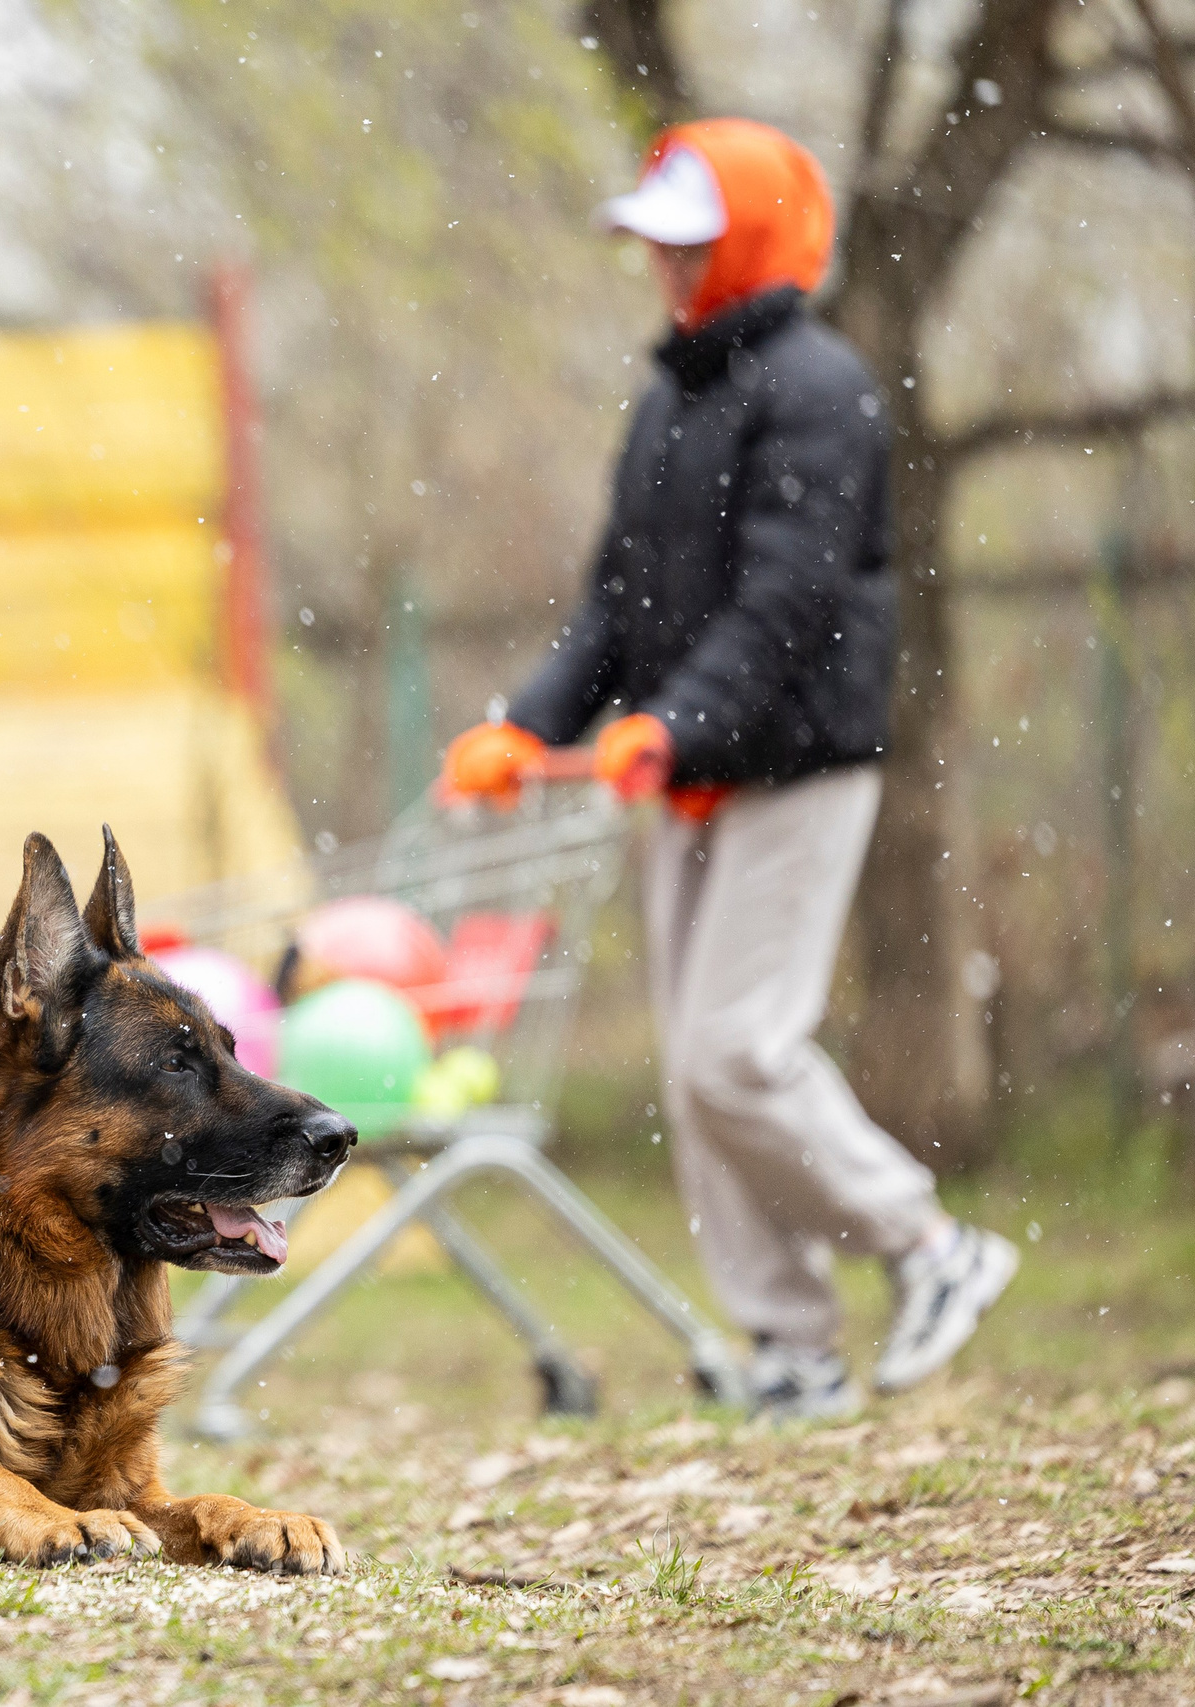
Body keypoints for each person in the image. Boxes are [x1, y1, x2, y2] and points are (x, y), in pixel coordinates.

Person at [440, 118, 1016, 1422]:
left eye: (688, 243)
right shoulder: (672, 398)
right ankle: (793, 1349)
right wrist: (530, 725)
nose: (663, 265)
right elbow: (617, 604)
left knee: (737, 1053)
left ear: (749, 240)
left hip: (797, 769)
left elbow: (791, 602)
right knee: (701, 1086)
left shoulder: (820, 390)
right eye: (653, 242)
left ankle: (932, 1248)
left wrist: (677, 724)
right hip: (690, 773)